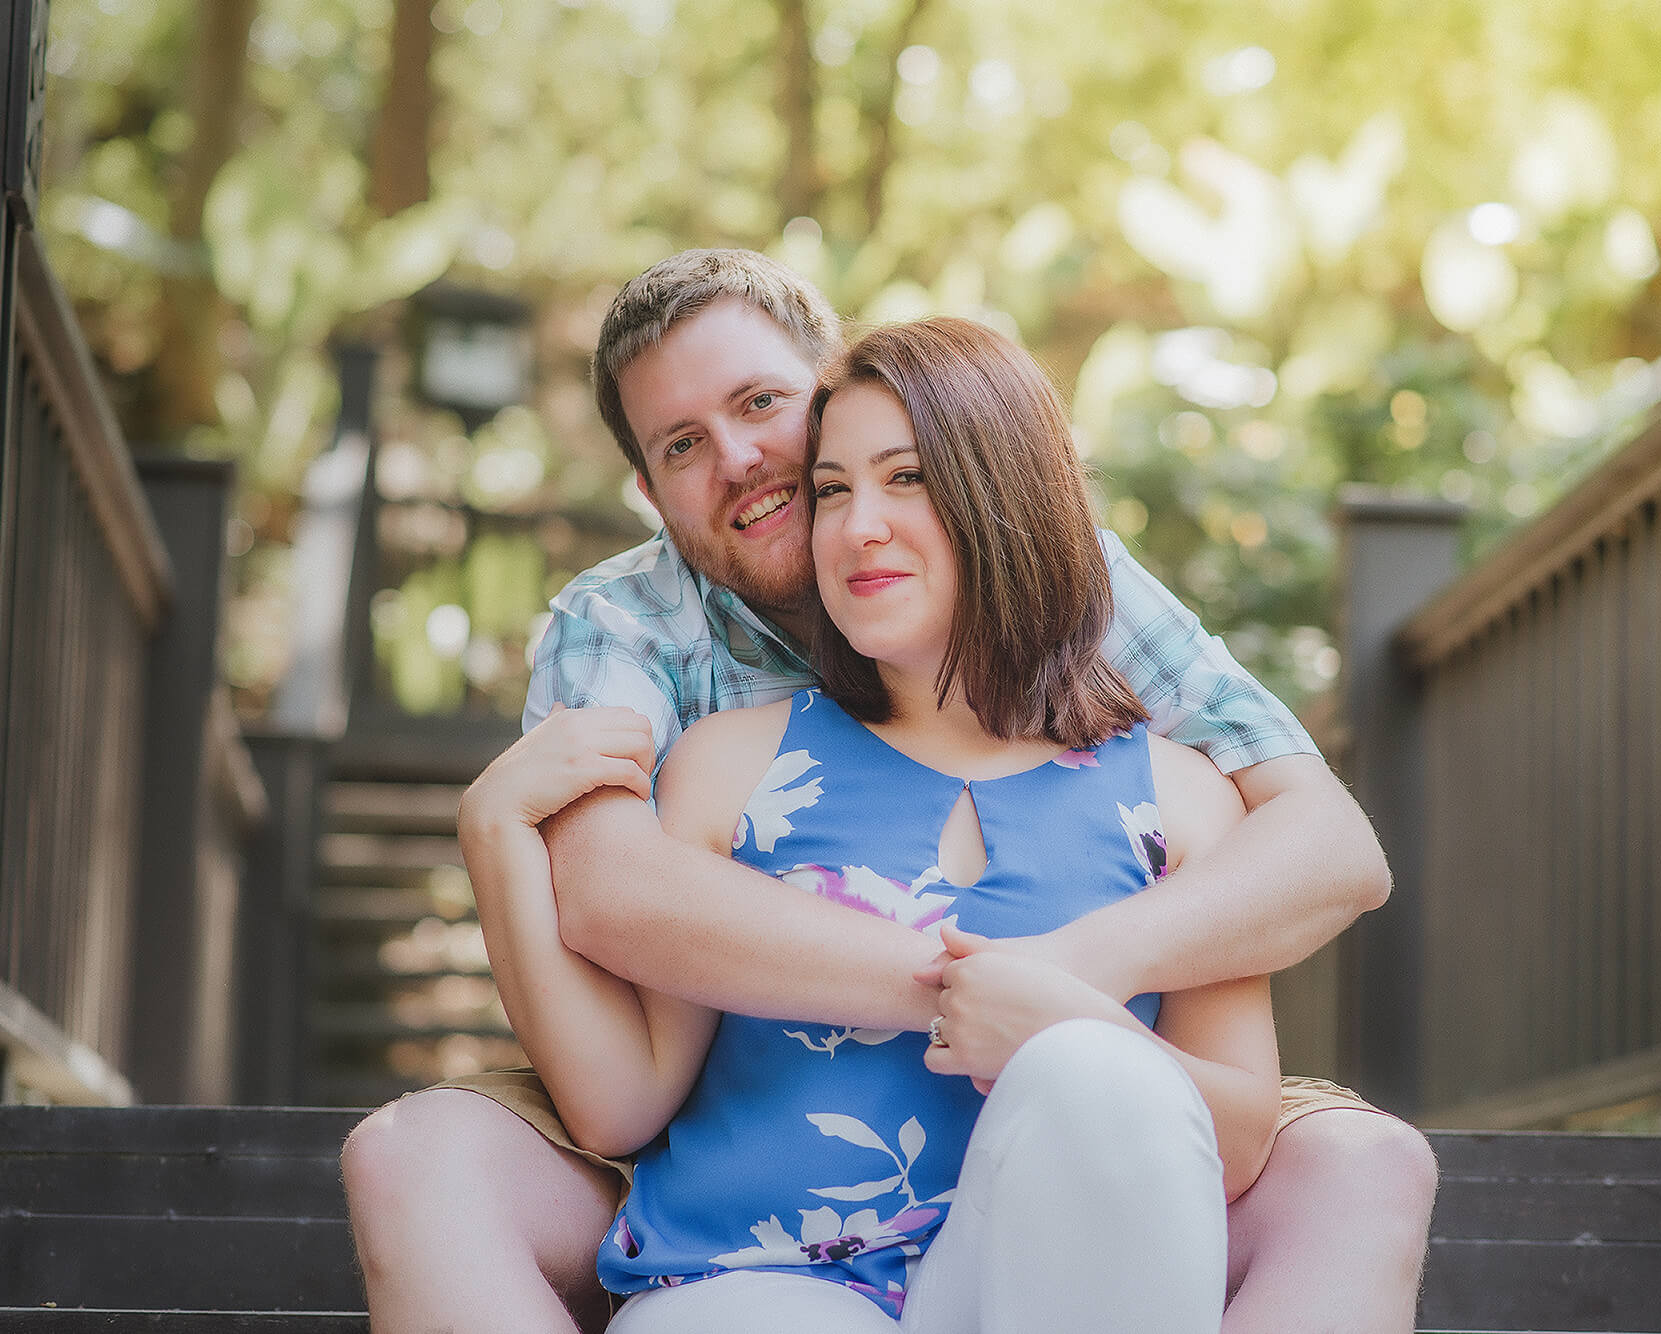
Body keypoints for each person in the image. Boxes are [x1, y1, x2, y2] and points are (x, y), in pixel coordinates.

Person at [341, 249, 1437, 1334]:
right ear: (646, 486)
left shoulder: (1109, 657)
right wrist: (968, 984)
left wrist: (1069, 989)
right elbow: (615, 903)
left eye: (763, 403)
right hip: (754, 1215)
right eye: (682, 444)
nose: (740, 458)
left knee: (1323, 1153)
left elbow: (1329, 850)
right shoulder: (645, 652)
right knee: (421, 1159)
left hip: (1058, 1176)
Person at [491, 317, 1280, 1331]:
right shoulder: (728, 766)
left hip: (1034, 1284)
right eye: (831, 489)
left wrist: (1059, 1029)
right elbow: (619, 1096)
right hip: (757, 1286)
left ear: (1007, 497)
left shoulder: (1180, 801)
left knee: (1096, 1068)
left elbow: (1241, 1132)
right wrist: (495, 834)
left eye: (905, 477)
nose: (857, 524)